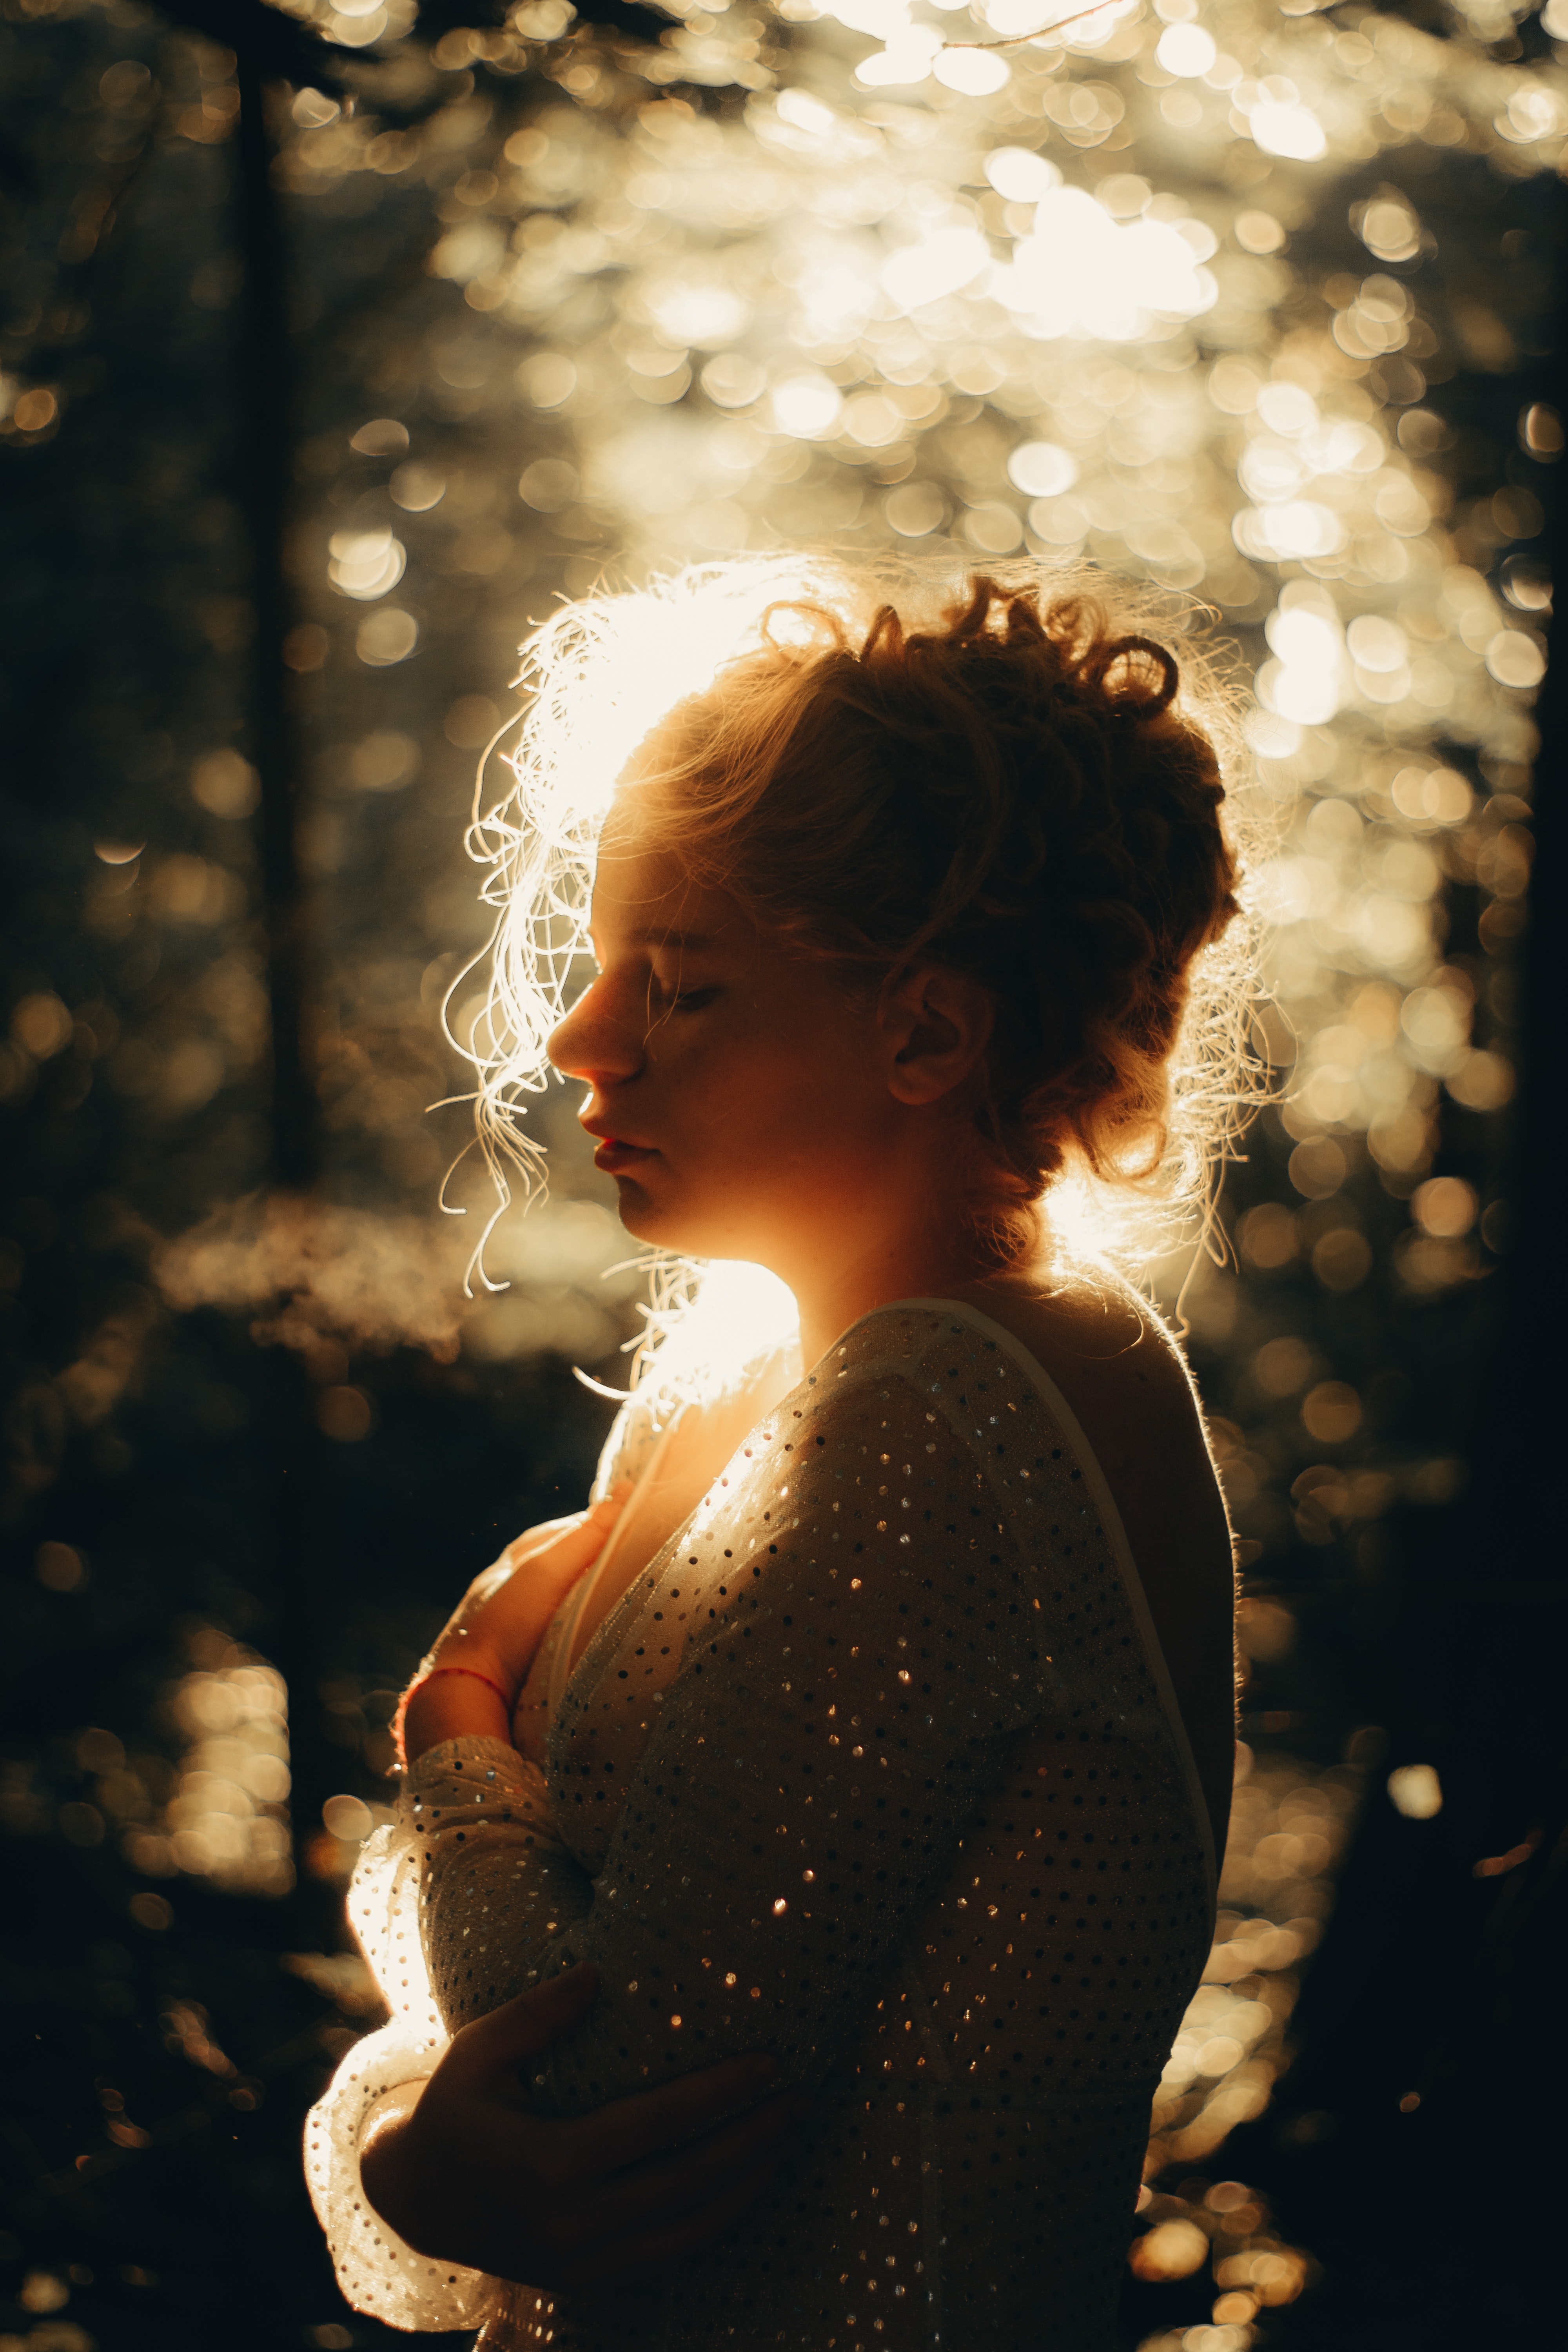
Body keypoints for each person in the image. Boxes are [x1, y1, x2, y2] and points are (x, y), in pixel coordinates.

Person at [307, 562, 1249, 2351]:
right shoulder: (746, 1380)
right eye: (601, 971)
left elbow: (593, 2098)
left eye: (678, 986)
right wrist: (413, 2157)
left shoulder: (958, 1415)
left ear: (923, 1028)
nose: (581, 1044)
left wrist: (452, 1742)